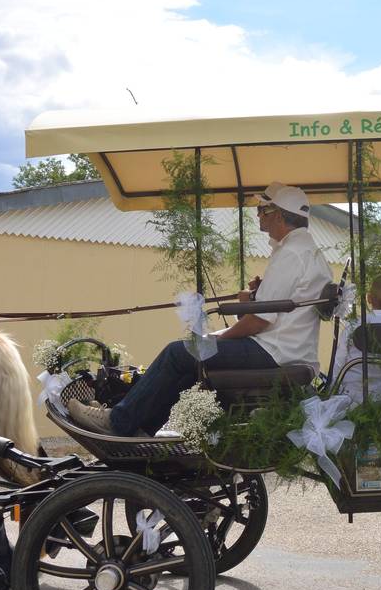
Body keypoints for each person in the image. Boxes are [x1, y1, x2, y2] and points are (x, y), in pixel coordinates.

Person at [68, 182, 333, 436]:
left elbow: (258, 322)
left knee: (177, 353)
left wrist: (217, 338)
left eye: (262, 210)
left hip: (274, 352)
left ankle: (117, 422)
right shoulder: (307, 251)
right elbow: (275, 309)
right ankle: (139, 428)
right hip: (286, 348)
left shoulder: (290, 255)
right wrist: (255, 296)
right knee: (186, 366)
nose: (258, 215)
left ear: (279, 216)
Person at [332, 274, 381, 404]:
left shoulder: (353, 325)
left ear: (368, 298)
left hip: (349, 397)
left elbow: (339, 362)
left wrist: (332, 392)